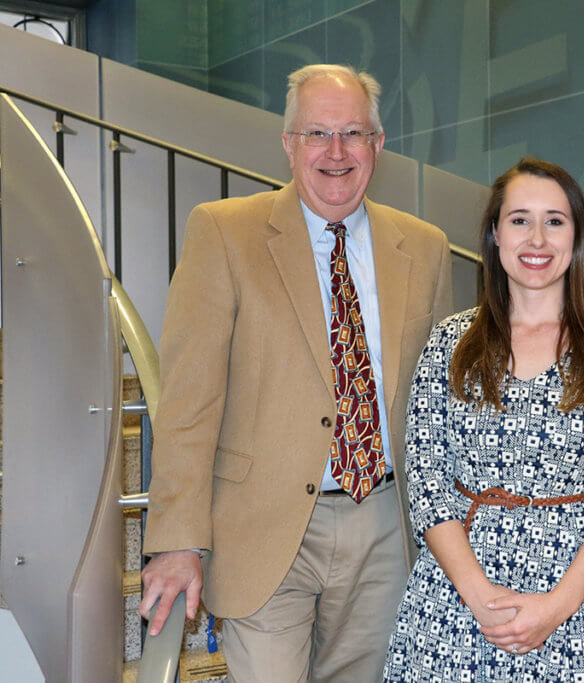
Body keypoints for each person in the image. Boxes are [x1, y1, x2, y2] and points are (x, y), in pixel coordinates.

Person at [138, 64, 453, 682]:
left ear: (378, 146)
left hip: (386, 527)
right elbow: (188, 403)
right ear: (288, 144)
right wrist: (177, 539)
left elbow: (435, 404)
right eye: (317, 134)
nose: (336, 152)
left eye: (353, 134)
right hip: (264, 526)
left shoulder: (425, 246)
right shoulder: (224, 232)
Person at [383, 157, 584, 681]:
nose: (537, 238)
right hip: (458, 604)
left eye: (555, 220)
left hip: (581, 610)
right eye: (519, 220)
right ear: (494, 234)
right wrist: (480, 598)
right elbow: (425, 480)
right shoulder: (450, 343)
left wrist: (554, 608)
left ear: (577, 237)